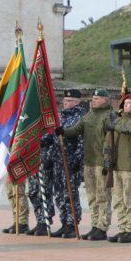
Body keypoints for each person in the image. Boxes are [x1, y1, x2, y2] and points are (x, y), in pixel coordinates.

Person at [58, 88, 113, 241]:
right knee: (92, 197)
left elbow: (110, 141)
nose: (93, 100)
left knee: (103, 197)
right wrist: (63, 131)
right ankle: (94, 225)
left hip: (101, 163)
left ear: (105, 100)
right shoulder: (89, 115)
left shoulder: (109, 116)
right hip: (88, 162)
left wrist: (107, 163)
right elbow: (75, 130)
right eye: (93, 98)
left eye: (97, 98)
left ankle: (102, 227)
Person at [37, 89, 86, 238]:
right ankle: (64, 222)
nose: (66, 103)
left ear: (77, 102)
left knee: (70, 193)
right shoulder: (60, 116)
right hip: (57, 161)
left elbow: (82, 141)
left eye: (69, 101)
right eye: (64, 101)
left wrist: (77, 160)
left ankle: (72, 224)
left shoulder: (81, 117)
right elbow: (52, 135)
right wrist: (42, 140)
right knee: (59, 194)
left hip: (71, 162)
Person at [106, 92, 131, 243]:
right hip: (117, 166)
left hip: (130, 167)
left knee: (130, 200)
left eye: (129, 103)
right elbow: (109, 142)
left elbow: (130, 128)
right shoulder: (120, 120)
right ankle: (122, 228)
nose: (126, 105)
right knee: (118, 200)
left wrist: (116, 123)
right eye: (125, 103)